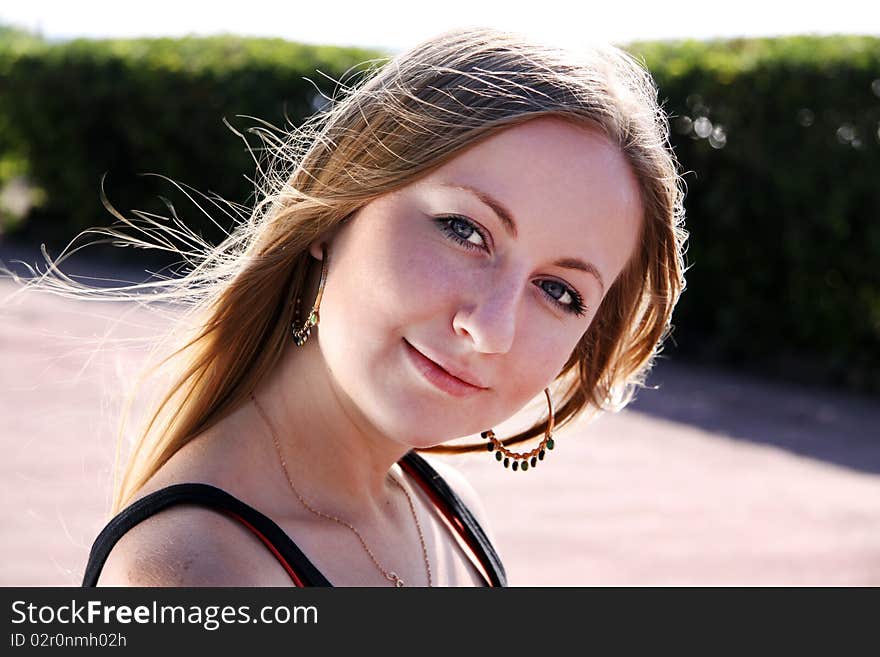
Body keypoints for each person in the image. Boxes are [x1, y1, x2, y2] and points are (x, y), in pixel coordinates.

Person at [75, 26, 687, 587]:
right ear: (338, 204)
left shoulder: (445, 512)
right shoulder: (194, 573)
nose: (490, 329)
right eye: (463, 230)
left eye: (559, 292)